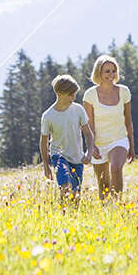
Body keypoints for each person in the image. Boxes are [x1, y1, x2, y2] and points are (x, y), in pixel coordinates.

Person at [82, 55, 135, 199]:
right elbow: (88, 124)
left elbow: (128, 120)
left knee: (116, 168)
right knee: (103, 186)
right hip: (98, 144)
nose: (111, 75)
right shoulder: (90, 95)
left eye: (113, 71)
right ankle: (107, 212)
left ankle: (117, 204)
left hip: (119, 140)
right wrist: (91, 146)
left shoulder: (124, 91)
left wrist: (131, 144)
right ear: (99, 72)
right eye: (107, 71)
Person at [40, 75, 95, 204]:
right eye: (70, 94)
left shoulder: (78, 110)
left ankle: (72, 219)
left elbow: (88, 134)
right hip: (59, 156)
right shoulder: (48, 116)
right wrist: (46, 165)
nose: (73, 97)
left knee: (75, 195)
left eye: (74, 94)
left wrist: (89, 153)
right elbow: (43, 142)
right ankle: (63, 214)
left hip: (77, 158)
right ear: (59, 93)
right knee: (65, 186)